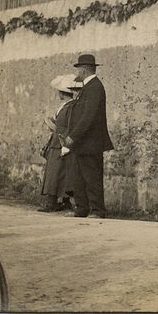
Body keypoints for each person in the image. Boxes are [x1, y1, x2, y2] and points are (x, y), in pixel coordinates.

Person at [63, 53, 114, 218]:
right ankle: (82, 208)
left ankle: (98, 210)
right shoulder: (90, 87)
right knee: (79, 177)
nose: (78, 72)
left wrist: (73, 136)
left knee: (92, 177)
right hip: (84, 143)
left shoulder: (95, 87)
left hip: (90, 143)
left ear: (84, 70)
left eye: (78, 69)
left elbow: (88, 116)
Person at [38, 74, 80, 212]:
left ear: (63, 93)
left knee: (56, 173)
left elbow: (66, 127)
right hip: (57, 142)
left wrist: (52, 125)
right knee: (58, 172)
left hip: (61, 143)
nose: (58, 94)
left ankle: (53, 202)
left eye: (59, 92)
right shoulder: (65, 106)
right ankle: (61, 201)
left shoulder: (71, 107)